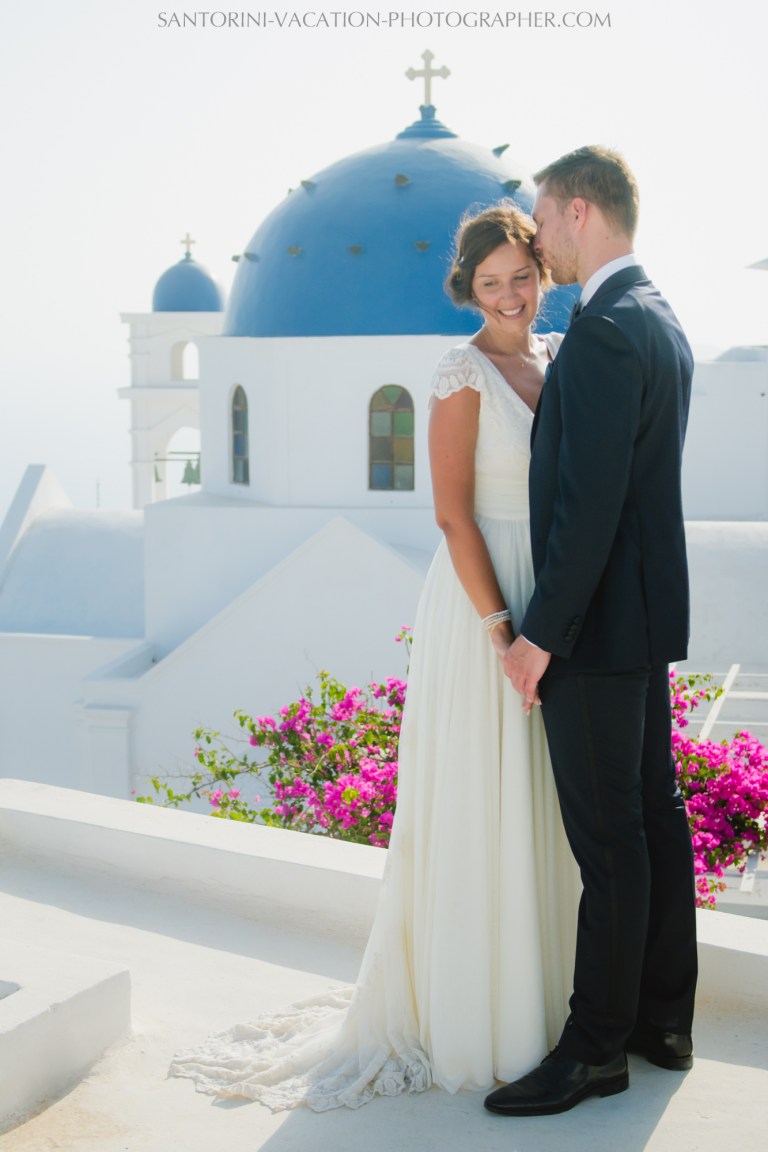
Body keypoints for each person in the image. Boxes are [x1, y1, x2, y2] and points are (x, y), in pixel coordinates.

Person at [169, 204, 579, 1110]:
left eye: (520, 275)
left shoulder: (556, 361)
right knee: (484, 793)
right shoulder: (458, 372)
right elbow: (452, 515)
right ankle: (480, 1021)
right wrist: (503, 631)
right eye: (489, 283)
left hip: (552, 596)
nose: (508, 294)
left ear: (541, 275)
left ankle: (546, 1009)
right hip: (486, 605)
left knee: (542, 800)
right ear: (467, 291)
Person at [485, 147, 698, 1119]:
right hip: (640, 624)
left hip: (598, 633)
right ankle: (663, 1021)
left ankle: (595, 1051)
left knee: (610, 845)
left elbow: (590, 506)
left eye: (541, 218)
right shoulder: (657, 315)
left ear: (578, 211)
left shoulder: (607, 330)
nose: (538, 237)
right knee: (653, 821)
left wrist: (540, 636)